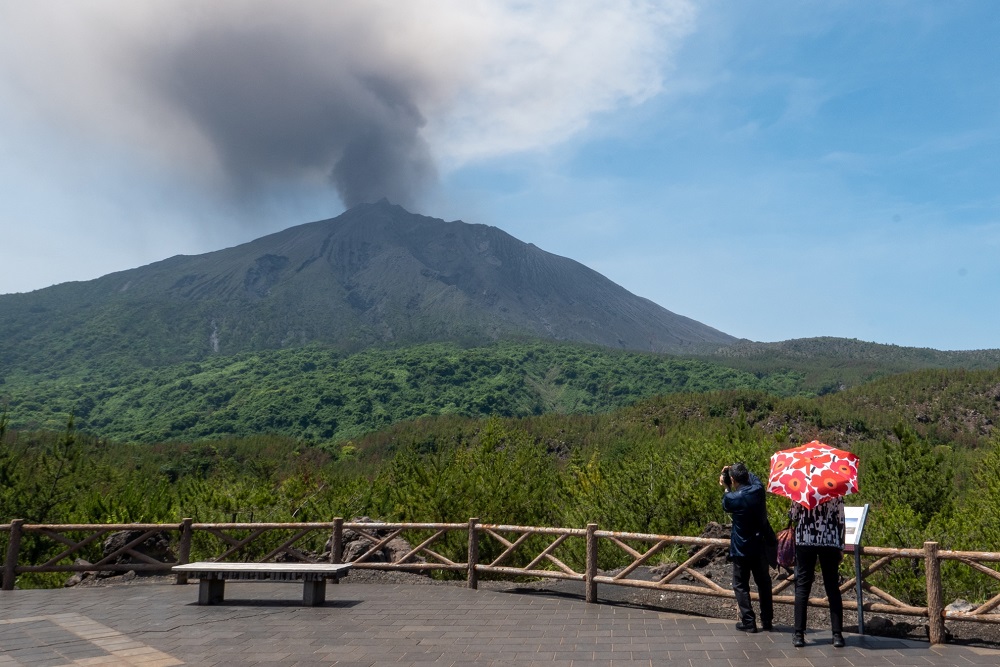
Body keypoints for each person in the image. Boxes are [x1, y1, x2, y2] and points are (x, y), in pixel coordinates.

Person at [720, 462, 774, 633]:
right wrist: (739, 472)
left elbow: (726, 503)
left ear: (733, 480)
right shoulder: (758, 491)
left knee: (741, 585)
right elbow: (755, 479)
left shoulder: (733, 498)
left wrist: (727, 485)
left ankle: (749, 621)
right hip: (759, 546)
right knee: (764, 584)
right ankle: (767, 620)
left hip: (741, 548)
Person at [790, 496, 846, 648]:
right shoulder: (835, 492)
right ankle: (837, 635)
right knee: (832, 587)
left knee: (802, 586)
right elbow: (840, 519)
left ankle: (798, 634)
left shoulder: (801, 491)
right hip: (829, 540)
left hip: (806, 539)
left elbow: (793, 515)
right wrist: (841, 545)